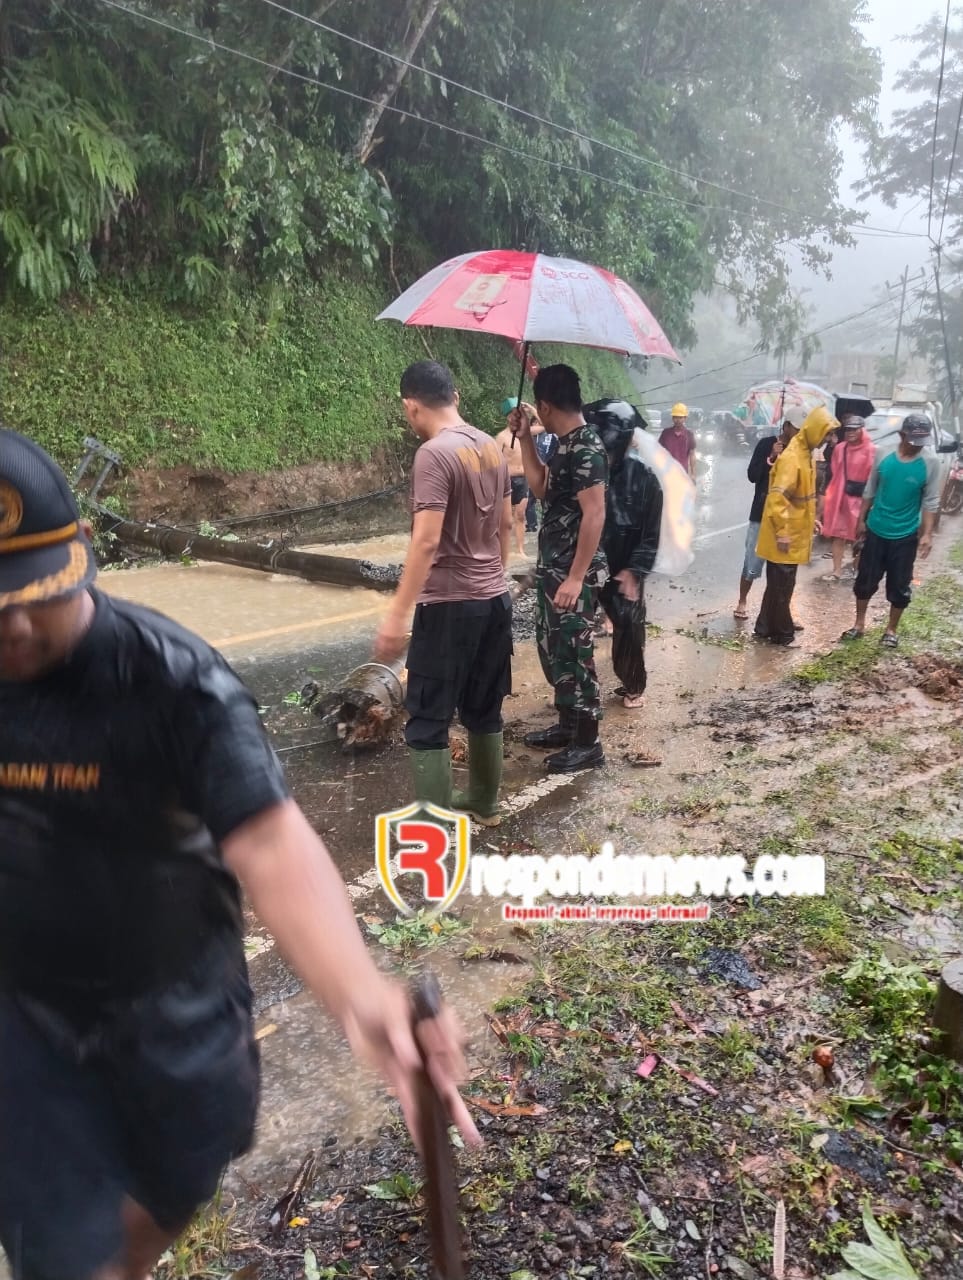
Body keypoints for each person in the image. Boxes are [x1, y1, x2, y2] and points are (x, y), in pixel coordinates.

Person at [0, 427, 479, 1280]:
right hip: (28, 1028)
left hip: (174, 1024)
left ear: (78, 563)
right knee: (69, 1260)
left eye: (28, 600)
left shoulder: (173, 682)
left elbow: (267, 838)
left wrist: (358, 991)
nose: (10, 628)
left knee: (153, 1211)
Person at [375, 362, 513, 825]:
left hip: (449, 605)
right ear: (454, 395)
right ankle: (484, 802)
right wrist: (496, 575)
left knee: (429, 716)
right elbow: (505, 525)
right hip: (493, 599)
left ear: (410, 405)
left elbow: (427, 541)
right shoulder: (491, 446)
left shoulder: (434, 454)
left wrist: (397, 614)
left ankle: (435, 822)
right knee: (483, 705)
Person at [511, 365, 608, 772]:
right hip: (554, 568)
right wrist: (525, 442)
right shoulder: (564, 444)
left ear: (546, 406)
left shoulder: (586, 447)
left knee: (576, 652)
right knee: (555, 651)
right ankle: (568, 725)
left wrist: (574, 577)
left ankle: (589, 743)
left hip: (575, 575)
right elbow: (540, 489)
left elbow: (595, 513)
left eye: (540, 412)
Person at [586, 399, 663, 710]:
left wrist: (635, 571)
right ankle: (576, 691)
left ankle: (632, 684)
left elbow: (652, 535)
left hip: (625, 563)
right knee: (575, 627)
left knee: (628, 623)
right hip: (589, 559)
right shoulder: (589, 471)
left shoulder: (645, 478)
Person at [840, 414, 940, 648]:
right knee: (865, 580)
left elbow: (931, 501)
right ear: (901, 435)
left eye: (921, 441)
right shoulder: (883, 454)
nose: (916, 446)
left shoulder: (930, 462)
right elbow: (870, 488)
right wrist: (861, 520)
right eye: (912, 440)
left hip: (905, 535)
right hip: (876, 529)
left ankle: (891, 630)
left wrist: (927, 534)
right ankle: (859, 624)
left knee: (899, 585)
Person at [754, 406, 836, 646]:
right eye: (824, 434)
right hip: (784, 534)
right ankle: (783, 633)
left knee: (778, 585)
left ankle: (765, 627)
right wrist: (782, 532)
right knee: (783, 586)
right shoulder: (793, 458)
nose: (825, 440)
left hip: (792, 532)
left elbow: (802, 497)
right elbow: (777, 499)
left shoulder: (804, 455)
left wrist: (813, 520)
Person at [734, 408, 805, 620]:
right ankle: (742, 600)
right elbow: (752, 475)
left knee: (784, 569)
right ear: (786, 426)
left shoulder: (801, 452)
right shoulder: (766, 444)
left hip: (788, 518)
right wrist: (772, 457)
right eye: (795, 428)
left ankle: (785, 608)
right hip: (762, 513)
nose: (798, 433)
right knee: (752, 561)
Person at [816, 415, 875, 582]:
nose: (850, 432)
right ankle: (837, 571)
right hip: (841, 498)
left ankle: (858, 568)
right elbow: (833, 471)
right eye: (848, 429)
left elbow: (873, 477)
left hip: (861, 499)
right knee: (838, 535)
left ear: (861, 430)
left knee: (862, 536)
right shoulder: (840, 448)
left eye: (854, 429)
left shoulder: (871, 450)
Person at [495, 396, 541, 557]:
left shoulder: (527, 433)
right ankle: (502, 549)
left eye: (520, 414)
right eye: (514, 414)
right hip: (506, 480)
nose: (517, 417)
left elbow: (545, 425)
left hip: (523, 480)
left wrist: (531, 409)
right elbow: (494, 462)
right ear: (508, 417)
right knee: (506, 519)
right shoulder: (502, 437)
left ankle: (520, 549)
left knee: (520, 515)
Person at [658, 403, 697, 481]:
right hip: (667, 472)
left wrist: (693, 474)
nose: (678, 420)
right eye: (675, 417)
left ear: (685, 418)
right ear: (672, 418)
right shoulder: (665, 433)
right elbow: (658, 451)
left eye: (680, 417)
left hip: (682, 472)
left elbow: (692, 454)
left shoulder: (689, 434)